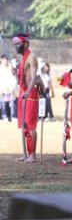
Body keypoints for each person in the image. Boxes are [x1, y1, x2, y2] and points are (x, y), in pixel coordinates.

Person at [12, 33, 40, 162]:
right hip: (23, 93)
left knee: (31, 125)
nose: (16, 47)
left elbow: (34, 77)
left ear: (26, 44)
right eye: (15, 45)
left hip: (30, 94)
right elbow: (22, 78)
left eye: (18, 44)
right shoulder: (22, 58)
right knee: (24, 125)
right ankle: (26, 153)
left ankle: (33, 155)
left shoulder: (31, 57)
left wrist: (28, 91)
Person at [0, 54, 16, 122]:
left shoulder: (10, 67)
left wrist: (12, 87)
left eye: (5, 59)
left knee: (10, 103)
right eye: (3, 60)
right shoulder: (0, 68)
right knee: (3, 103)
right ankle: (4, 116)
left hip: (10, 87)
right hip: (2, 87)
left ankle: (11, 116)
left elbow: (13, 78)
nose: (4, 61)